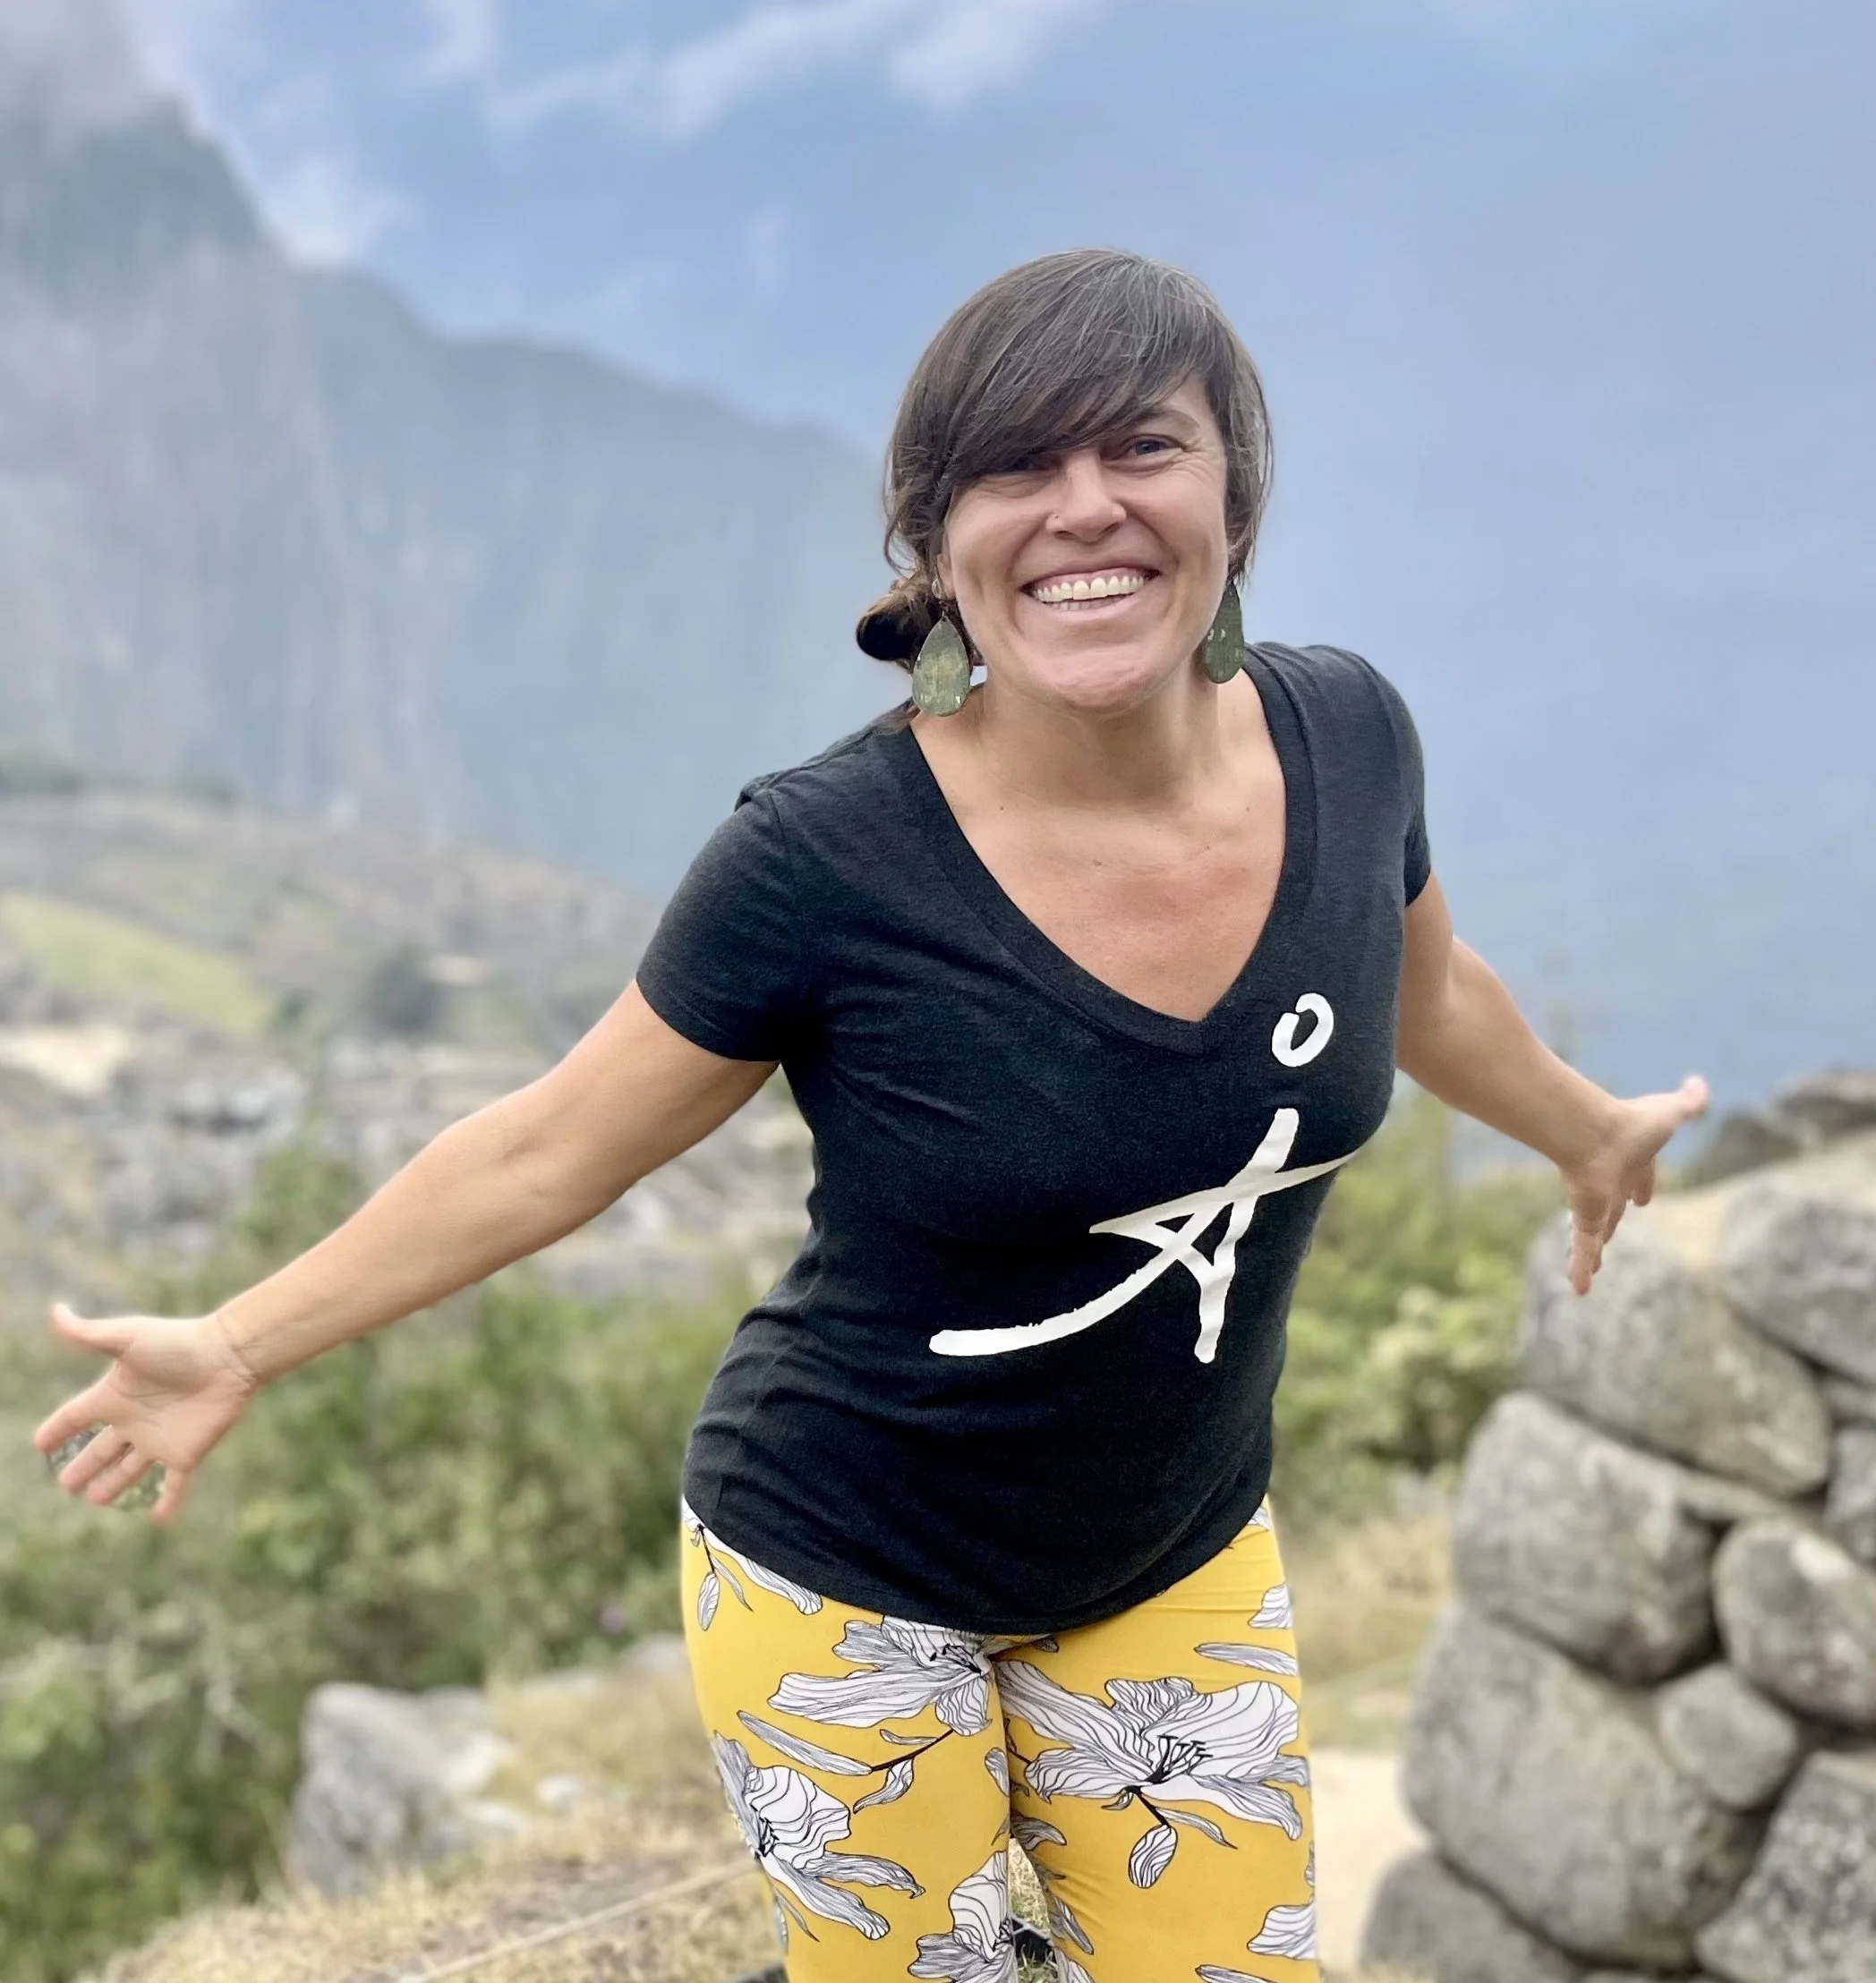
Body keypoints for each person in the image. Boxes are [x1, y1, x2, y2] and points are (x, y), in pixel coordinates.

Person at [35, 249, 1705, 1983]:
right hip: (840, 1578)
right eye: (1013, 470)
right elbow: (548, 1145)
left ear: (1233, 492)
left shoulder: (1349, 738)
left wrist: (1584, 1129)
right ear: (934, 540)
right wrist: (236, 1341)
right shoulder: (824, 860)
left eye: (1141, 449)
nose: (1085, 512)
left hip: (1169, 1556)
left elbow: (1423, 989)